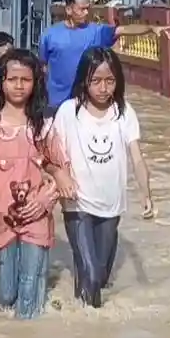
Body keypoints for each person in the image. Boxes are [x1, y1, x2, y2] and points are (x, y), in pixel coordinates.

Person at [0, 49, 76, 319]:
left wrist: (45, 200)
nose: (19, 86)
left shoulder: (44, 128)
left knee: (30, 292)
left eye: (26, 80)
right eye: (12, 79)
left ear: (35, 83)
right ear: (1, 82)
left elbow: (61, 169)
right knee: (5, 294)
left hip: (37, 218)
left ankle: (28, 337)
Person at [53, 47, 155, 309]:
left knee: (101, 275)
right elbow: (52, 153)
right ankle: (88, 327)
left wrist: (146, 194)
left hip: (111, 205)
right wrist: (60, 176)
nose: (103, 88)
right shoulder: (68, 111)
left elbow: (137, 157)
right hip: (77, 203)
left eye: (110, 81)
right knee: (90, 271)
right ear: (84, 80)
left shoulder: (124, 113)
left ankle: (80, 313)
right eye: (96, 80)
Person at [38, 0, 170, 110]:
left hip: (86, 104)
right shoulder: (50, 35)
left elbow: (123, 30)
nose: (86, 13)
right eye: (82, 9)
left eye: (88, 9)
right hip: (56, 104)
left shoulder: (96, 32)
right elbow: (42, 68)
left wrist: (150, 28)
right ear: (68, 10)